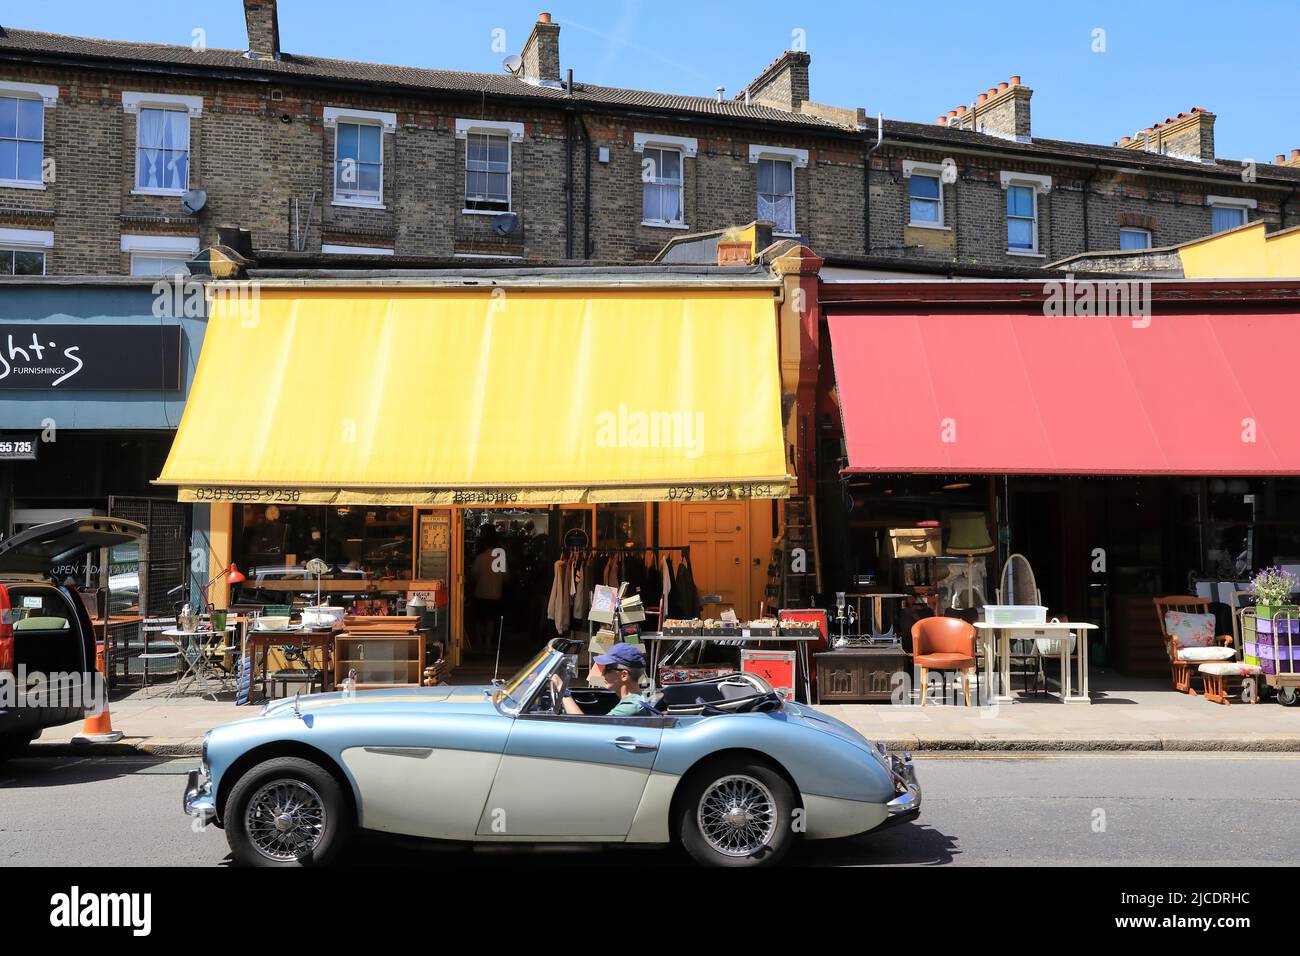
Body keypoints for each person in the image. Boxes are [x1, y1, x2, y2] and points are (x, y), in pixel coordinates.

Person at [551, 642, 657, 717]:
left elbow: (587, 731)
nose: (602, 673)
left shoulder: (631, 707)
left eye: (608, 668)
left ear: (624, 675)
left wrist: (563, 691)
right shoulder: (634, 700)